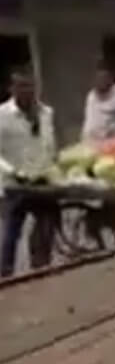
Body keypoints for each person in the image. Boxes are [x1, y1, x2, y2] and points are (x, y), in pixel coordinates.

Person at [0, 68, 57, 276]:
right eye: (21, 86)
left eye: (30, 86)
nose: (27, 90)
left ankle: (40, 266)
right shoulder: (3, 115)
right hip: (15, 183)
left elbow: (49, 144)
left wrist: (52, 166)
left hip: (42, 179)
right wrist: (12, 171)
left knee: (47, 224)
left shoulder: (46, 112)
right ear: (11, 88)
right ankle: (5, 273)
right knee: (11, 231)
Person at [82, 65, 115, 143]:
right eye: (98, 78)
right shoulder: (91, 96)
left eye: (104, 78)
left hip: (112, 141)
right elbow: (89, 121)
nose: (100, 81)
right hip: (92, 139)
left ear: (111, 80)